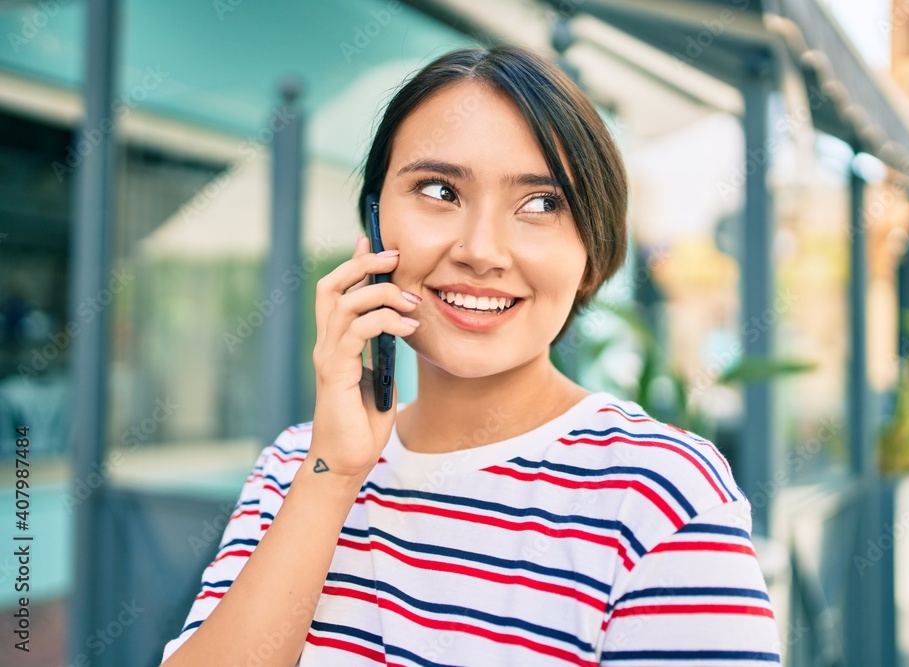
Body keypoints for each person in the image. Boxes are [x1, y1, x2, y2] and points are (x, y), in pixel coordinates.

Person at [161, 45, 781, 666]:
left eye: (541, 204)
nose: (482, 251)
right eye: (439, 190)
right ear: (374, 225)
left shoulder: (659, 497)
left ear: (592, 251)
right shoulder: (297, 465)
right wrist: (333, 476)